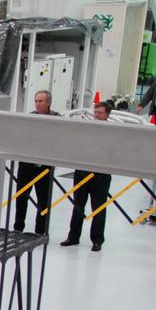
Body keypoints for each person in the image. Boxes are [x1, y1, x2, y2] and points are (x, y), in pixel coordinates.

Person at [63, 102, 115, 252]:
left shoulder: (113, 132)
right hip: (82, 172)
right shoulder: (86, 129)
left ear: (107, 115)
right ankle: (73, 237)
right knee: (78, 205)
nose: (96, 115)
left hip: (101, 175)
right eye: (95, 112)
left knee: (98, 208)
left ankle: (97, 240)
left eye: (100, 113)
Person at [12, 91, 61, 236]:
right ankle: (18, 227)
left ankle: (41, 230)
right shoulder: (30, 118)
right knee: (21, 196)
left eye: (41, 101)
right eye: (36, 101)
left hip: (45, 165)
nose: (37, 104)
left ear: (48, 103)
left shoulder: (57, 119)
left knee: (43, 199)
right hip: (27, 164)